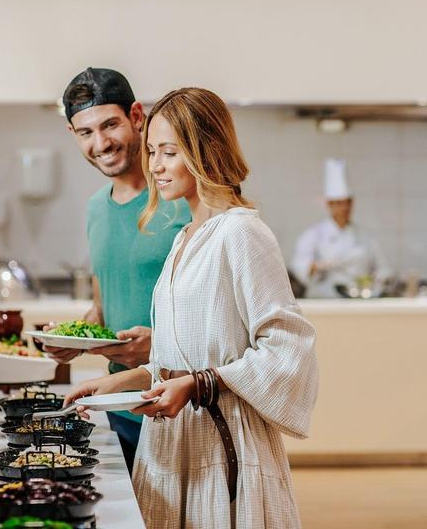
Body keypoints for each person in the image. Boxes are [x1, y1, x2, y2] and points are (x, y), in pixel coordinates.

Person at [65, 87, 318, 528]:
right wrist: (128, 380)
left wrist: (199, 385)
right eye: (151, 152)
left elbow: (288, 351)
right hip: (171, 445)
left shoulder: (241, 233)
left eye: (169, 152)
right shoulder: (185, 237)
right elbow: (183, 357)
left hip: (223, 448)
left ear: (204, 151)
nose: (155, 166)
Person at [45, 67, 190, 473]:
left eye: (110, 125)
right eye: (85, 132)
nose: (101, 143)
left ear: (138, 117)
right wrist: (76, 338)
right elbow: (103, 310)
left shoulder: (184, 198)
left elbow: (228, 327)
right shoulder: (95, 208)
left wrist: (161, 346)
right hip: (120, 410)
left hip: (180, 410)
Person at [291, 158, 388, 298]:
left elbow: (384, 269)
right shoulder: (313, 235)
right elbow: (299, 265)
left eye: (348, 203)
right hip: (325, 300)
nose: (345, 208)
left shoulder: (366, 236)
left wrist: (376, 280)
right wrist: (316, 266)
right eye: (339, 203)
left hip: (361, 300)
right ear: (329, 204)